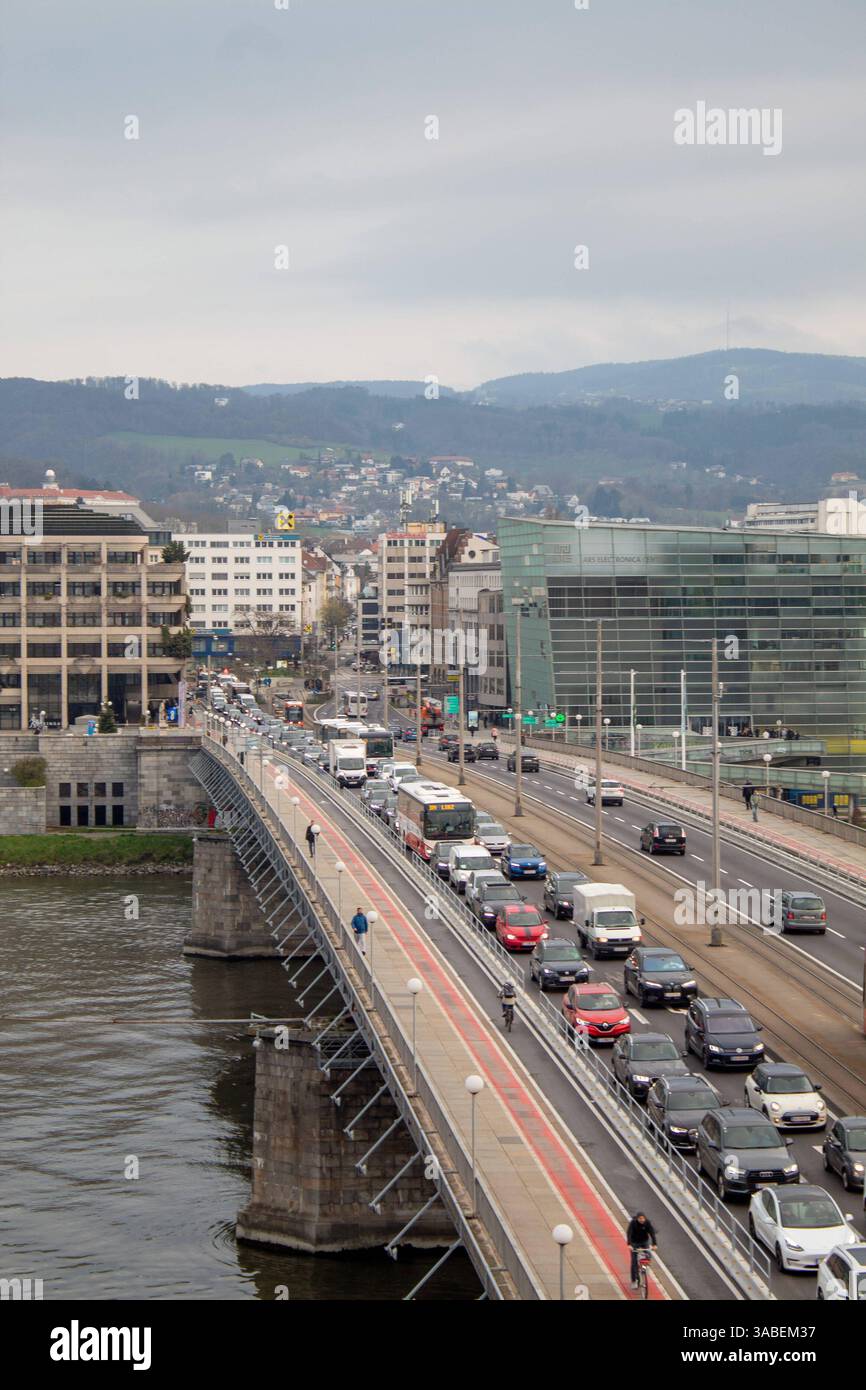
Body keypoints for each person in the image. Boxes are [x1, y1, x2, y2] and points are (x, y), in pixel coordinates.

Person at [626, 1212, 657, 1287]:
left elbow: (652, 1233)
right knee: (634, 1262)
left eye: (643, 1218)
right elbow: (629, 1233)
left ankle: (644, 1266)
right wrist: (629, 1244)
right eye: (640, 1219)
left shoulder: (647, 1223)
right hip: (634, 1243)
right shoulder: (633, 1223)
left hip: (644, 1241)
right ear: (637, 1219)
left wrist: (654, 1244)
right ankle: (634, 1281)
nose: (642, 1220)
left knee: (648, 1254)